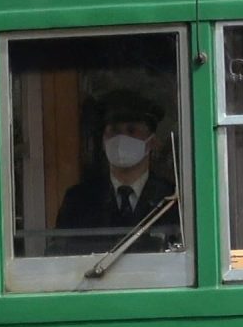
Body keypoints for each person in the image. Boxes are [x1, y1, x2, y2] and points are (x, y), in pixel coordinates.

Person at [53, 89, 178, 252]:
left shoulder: (171, 199)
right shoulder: (78, 199)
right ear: (104, 140)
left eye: (132, 130)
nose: (121, 139)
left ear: (151, 142)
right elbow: (59, 254)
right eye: (114, 130)